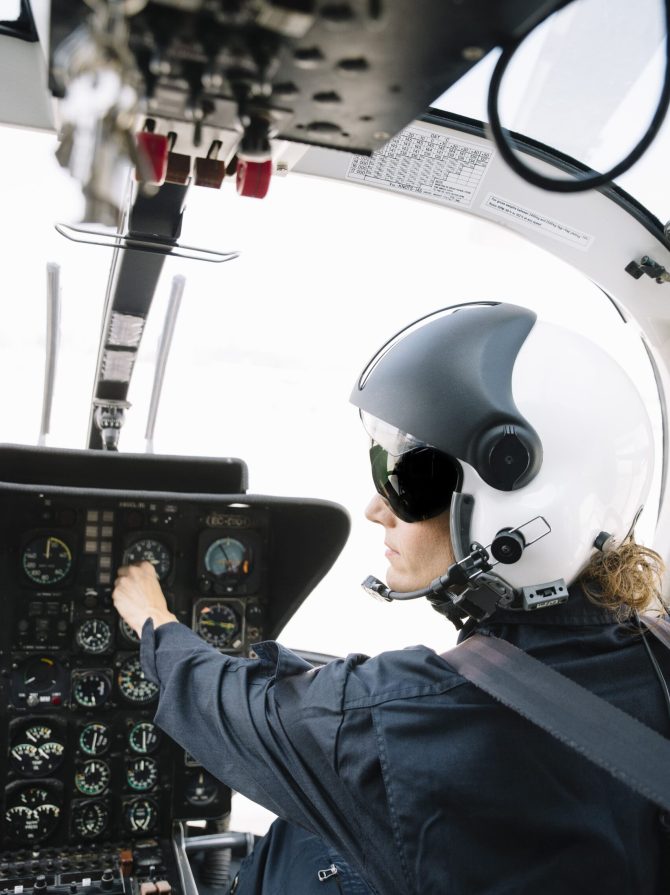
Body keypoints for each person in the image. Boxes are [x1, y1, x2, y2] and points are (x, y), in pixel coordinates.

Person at [113, 302, 670, 895]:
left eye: (408, 482)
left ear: (524, 515)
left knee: (301, 842)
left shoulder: (415, 717)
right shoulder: (654, 653)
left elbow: (249, 716)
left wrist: (155, 621)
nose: (376, 510)